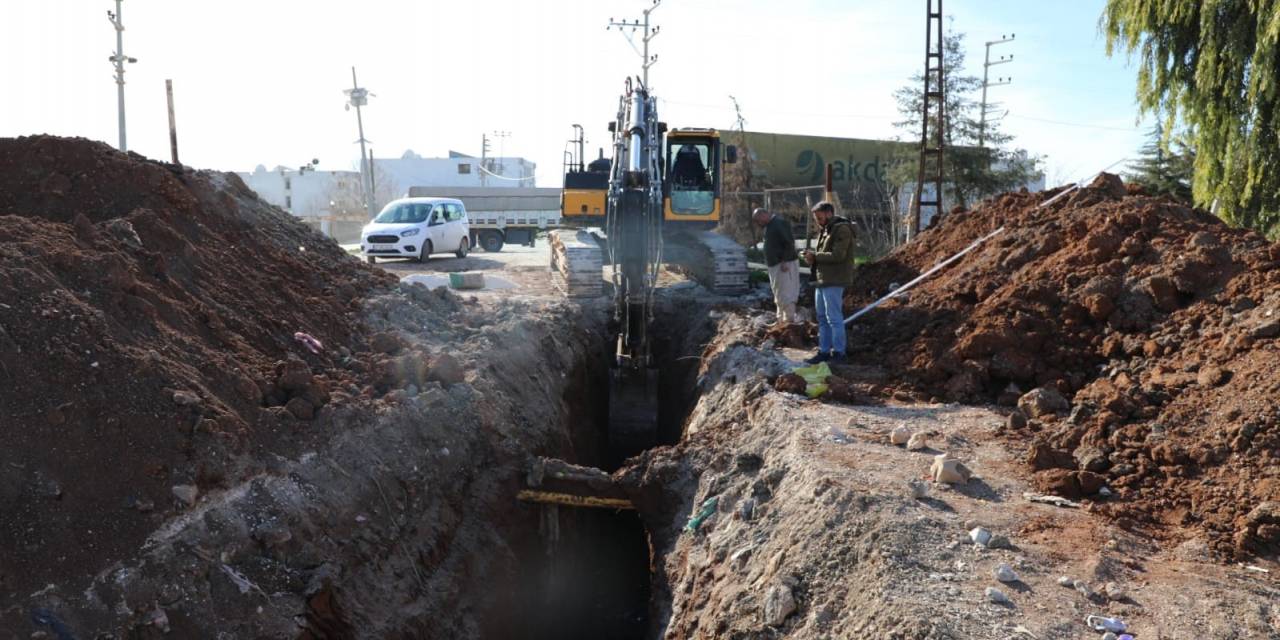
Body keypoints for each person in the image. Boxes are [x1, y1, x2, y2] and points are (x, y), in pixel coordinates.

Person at [802, 201, 854, 364]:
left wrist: (815, 256)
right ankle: (824, 351)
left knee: (834, 318)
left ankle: (839, 353)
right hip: (822, 279)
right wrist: (812, 258)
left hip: (834, 279)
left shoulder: (842, 229)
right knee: (822, 318)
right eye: (816, 217)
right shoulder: (827, 229)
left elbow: (838, 255)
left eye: (820, 216)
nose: (818, 220)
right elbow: (824, 255)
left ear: (829, 213)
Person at [752, 207, 799, 324]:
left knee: (786, 292)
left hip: (784, 264)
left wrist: (784, 260)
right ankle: (780, 320)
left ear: (764, 215)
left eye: (759, 220)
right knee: (778, 292)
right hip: (775, 265)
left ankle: (789, 321)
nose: (759, 223)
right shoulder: (770, 226)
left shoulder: (779, 223)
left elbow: (789, 243)